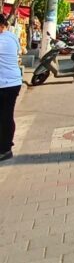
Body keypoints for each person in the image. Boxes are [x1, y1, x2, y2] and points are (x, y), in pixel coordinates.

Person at [0, 14, 22, 162]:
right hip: (14, 82)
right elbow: (18, 52)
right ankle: (6, 147)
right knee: (7, 116)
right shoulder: (12, 36)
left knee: (5, 117)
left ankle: (5, 149)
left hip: (5, 84)